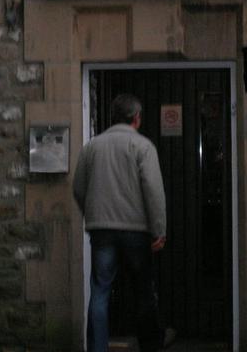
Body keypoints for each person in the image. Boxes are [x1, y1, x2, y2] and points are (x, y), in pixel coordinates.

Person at [73, 93, 174, 352]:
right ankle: (149, 346)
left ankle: (97, 348)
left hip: (102, 231)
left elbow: (79, 187)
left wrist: (92, 214)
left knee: (100, 292)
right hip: (136, 232)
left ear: (113, 117)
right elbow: (153, 191)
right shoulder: (143, 146)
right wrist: (159, 230)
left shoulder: (91, 147)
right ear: (137, 118)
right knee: (143, 292)